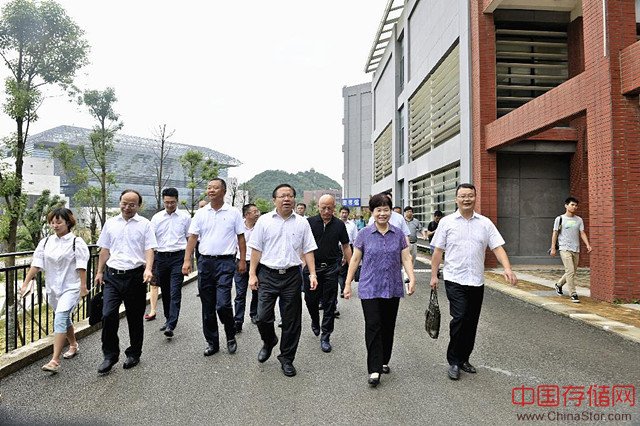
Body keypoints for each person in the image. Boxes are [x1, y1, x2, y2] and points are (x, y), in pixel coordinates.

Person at [430, 183, 518, 381]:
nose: (466, 199)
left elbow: (497, 247)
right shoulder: (447, 222)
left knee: (471, 322)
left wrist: (507, 268)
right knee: (459, 318)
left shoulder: (485, 223)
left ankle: (464, 359)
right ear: (456, 199)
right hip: (454, 278)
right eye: (462, 196)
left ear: (475, 198)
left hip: (476, 281)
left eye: (470, 195)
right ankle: (453, 361)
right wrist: (434, 275)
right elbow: (437, 251)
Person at [344, 194, 416, 387]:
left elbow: (406, 258)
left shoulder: (399, 234)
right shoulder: (364, 234)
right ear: (372, 212)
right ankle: (374, 368)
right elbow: (355, 259)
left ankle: (384, 359)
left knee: (388, 325)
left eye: (386, 209)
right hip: (370, 287)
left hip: (392, 286)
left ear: (391, 211)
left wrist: (411, 278)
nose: (382, 213)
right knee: (373, 325)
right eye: (378, 210)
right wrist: (348, 283)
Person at [248, 184, 318, 377]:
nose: (286, 199)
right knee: (262, 316)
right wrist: (252, 274)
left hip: (292, 276)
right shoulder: (264, 221)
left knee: (291, 321)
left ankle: (286, 358)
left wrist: (312, 273)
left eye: (290, 196)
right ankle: (269, 341)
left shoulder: (302, 223)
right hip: (267, 274)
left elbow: (309, 249)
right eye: (282, 196)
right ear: (274, 200)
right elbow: (255, 249)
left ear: (294, 199)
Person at [95, 189, 157, 374]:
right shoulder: (111, 223)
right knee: (108, 315)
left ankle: (134, 353)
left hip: (135, 276)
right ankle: (109, 355)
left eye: (132, 204)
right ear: (119, 202)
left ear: (138, 206)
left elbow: (149, 249)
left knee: (134, 318)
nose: (127, 207)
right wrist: (99, 271)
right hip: (112, 276)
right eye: (124, 203)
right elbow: (105, 249)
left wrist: (148, 269)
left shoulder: (145, 224)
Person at [20, 208, 89, 373]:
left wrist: (83, 286)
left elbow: (81, 266)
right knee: (64, 318)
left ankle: (54, 360)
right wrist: (25, 282)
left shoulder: (76, 242)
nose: (55, 225)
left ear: (67, 222)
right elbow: (36, 263)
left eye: (59, 221)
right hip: (52, 287)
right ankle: (73, 344)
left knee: (60, 317)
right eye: (52, 222)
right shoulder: (45, 242)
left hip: (71, 287)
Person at [182, 178, 246, 356]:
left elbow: (241, 237)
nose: (211, 190)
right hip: (205, 262)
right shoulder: (201, 213)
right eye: (209, 188)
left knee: (223, 304)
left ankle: (230, 334)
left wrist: (241, 260)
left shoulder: (233, 213)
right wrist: (187, 260)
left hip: (225, 262)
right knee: (207, 306)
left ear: (223, 191)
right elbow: (193, 237)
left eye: (215, 188)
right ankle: (212, 342)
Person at [303, 195, 352, 353]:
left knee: (330, 303)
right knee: (310, 300)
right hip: (312, 267)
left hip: (331, 268)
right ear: (318, 207)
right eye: (323, 207)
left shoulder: (339, 225)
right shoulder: (309, 223)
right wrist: (304, 263)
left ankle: (326, 336)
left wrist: (351, 266)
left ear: (334, 208)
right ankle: (315, 320)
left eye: (329, 208)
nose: (326, 211)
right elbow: (300, 245)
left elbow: (346, 246)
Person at [150, 187, 191, 338]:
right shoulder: (156, 218)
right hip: (161, 257)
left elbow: (189, 239)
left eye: (172, 202)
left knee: (175, 291)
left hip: (178, 257)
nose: (169, 205)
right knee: (165, 291)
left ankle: (171, 324)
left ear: (177, 201)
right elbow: (150, 239)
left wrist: (188, 260)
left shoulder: (185, 217)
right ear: (163, 200)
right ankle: (168, 318)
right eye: (167, 202)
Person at [550, 197, 592, 303]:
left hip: (576, 248)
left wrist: (587, 244)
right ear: (566, 205)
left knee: (572, 271)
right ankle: (573, 293)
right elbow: (555, 233)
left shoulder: (579, 220)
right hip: (564, 248)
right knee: (570, 271)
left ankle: (558, 284)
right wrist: (553, 247)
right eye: (572, 205)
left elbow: (582, 233)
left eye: (576, 205)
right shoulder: (559, 219)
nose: (574, 207)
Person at [233, 203, 261, 331]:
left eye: (257, 211)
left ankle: (254, 314)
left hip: (257, 263)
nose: (257, 213)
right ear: (247, 214)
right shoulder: (238, 227)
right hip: (241, 262)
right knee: (240, 293)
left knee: (256, 291)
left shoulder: (261, 226)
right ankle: (238, 320)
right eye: (254, 211)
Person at [338, 206, 358, 297]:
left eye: (346, 213)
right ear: (339, 213)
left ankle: (345, 286)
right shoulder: (336, 223)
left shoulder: (352, 225)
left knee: (347, 268)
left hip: (349, 247)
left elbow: (355, 239)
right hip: (336, 248)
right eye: (342, 212)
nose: (344, 214)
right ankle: (342, 288)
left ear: (348, 214)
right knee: (340, 270)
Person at [403, 206, 426, 283]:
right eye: (407, 211)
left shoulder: (416, 221)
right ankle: (406, 276)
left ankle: (410, 275)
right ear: (405, 213)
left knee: (412, 260)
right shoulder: (402, 221)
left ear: (412, 212)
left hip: (414, 243)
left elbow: (421, 229)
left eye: (410, 211)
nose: (409, 213)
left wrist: (423, 235)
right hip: (405, 244)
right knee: (406, 259)